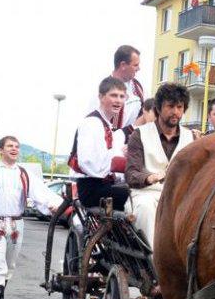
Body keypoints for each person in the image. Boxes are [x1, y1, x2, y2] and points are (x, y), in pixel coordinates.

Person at [0, 136, 64, 299]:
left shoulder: (24, 174)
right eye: (10, 146)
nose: (14, 149)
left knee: (9, 264)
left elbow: (41, 192)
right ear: (1, 150)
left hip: (17, 223)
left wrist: (54, 205)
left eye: (17, 146)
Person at [126, 82, 197, 247]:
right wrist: (151, 177)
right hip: (147, 194)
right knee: (146, 207)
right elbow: (131, 174)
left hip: (180, 196)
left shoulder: (191, 138)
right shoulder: (139, 135)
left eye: (180, 107)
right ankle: (154, 261)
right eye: (170, 106)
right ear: (158, 108)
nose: (175, 112)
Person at [71, 76, 130, 211]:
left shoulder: (106, 125)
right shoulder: (92, 123)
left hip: (102, 186)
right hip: (92, 189)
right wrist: (114, 170)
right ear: (101, 97)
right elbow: (87, 162)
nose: (118, 100)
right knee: (137, 198)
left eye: (122, 96)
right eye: (113, 95)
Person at [89, 45, 146, 132]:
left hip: (133, 142)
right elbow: (93, 123)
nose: (139, 69)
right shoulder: (103, 89)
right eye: (135, 65)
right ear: (123, 65)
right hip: (110, 141)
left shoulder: (139, 88)